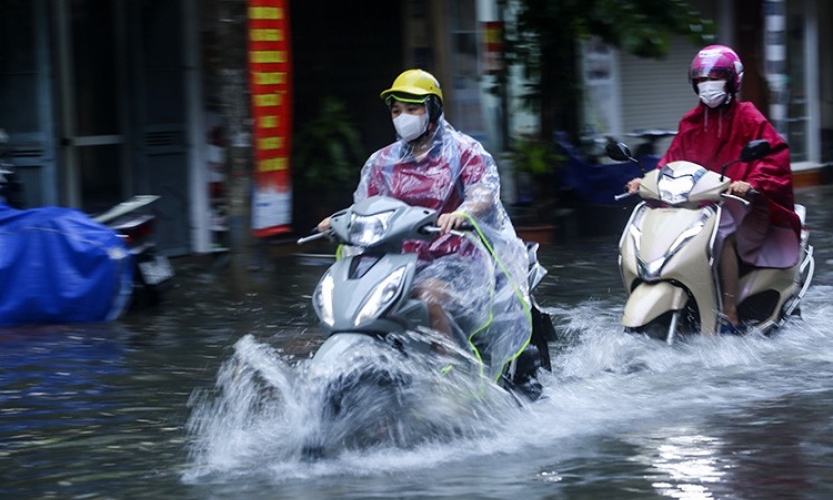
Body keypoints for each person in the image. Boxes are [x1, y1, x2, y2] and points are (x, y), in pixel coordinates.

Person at [318, 69, 531, 381]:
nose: (403, 116)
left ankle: (448, 378)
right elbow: (365, 205)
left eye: (412, 108)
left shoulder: (464, 152)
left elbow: (483, 191)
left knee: (430, 296)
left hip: (455, 262)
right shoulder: (383, 161)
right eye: (396, 110)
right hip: (397, 262)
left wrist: (463, 212)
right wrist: (339, 220)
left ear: (432, 109)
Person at [626, 45, 801, 334]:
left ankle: (730, 314)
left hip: (741, 206)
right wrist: (646, 181)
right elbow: (671, 161)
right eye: (702, 80)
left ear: (733, 81)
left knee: (722, 237)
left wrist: (751, 183)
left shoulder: (748, 117)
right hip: (696, 206)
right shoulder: (691, 122)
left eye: (715, 79)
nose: (708, 86)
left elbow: (773, 155)